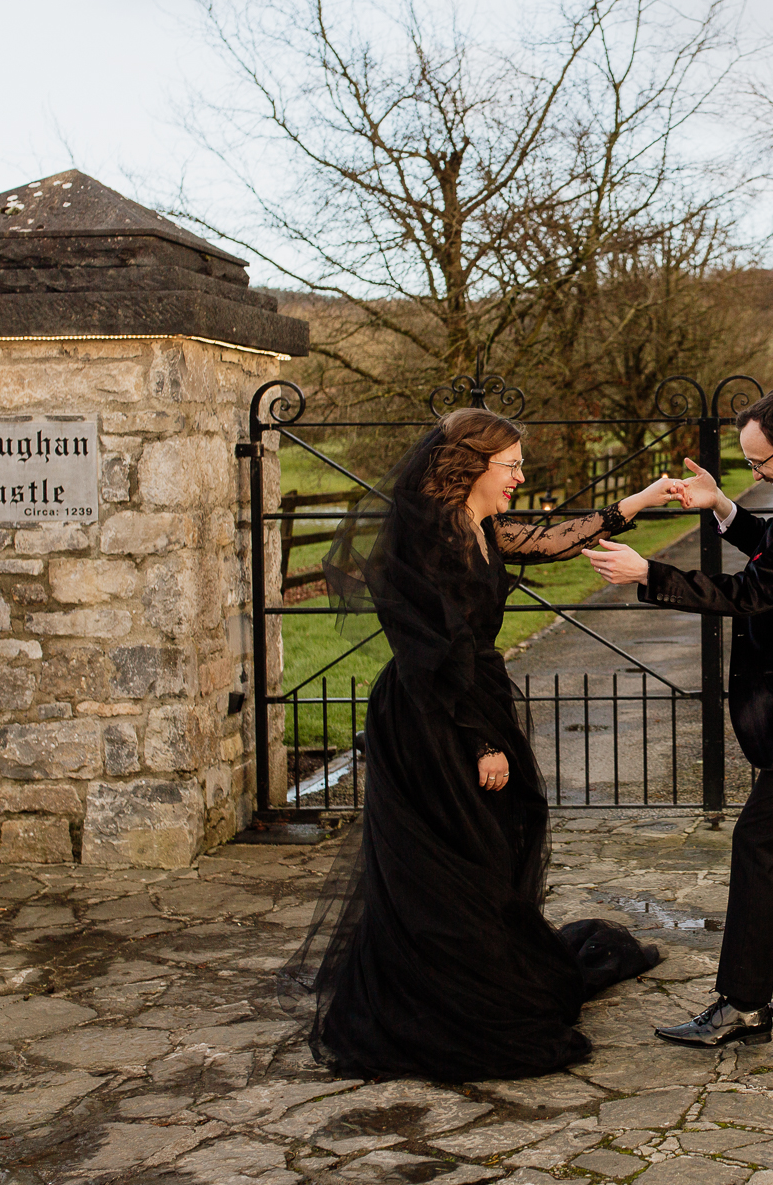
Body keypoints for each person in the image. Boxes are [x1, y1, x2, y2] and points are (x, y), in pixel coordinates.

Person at [293, 407, 684, 1080]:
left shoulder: (482, 527)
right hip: (432, 714)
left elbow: (558, 538)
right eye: (510, 466)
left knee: (491, 851)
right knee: (452, 858)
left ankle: (476, 977)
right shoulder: (425, 536)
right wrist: (478, 741)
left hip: (472, 697)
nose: (520, 476)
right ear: (472, 466)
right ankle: (440, 1004)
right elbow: (434, 647)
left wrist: (642, 500)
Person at [583, 388, 773, 1051]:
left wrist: (649, 574)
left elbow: (755, 592)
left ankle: (743, 1006)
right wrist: (724, 509)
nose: (755, 476)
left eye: (759, 465)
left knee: (758, 845)